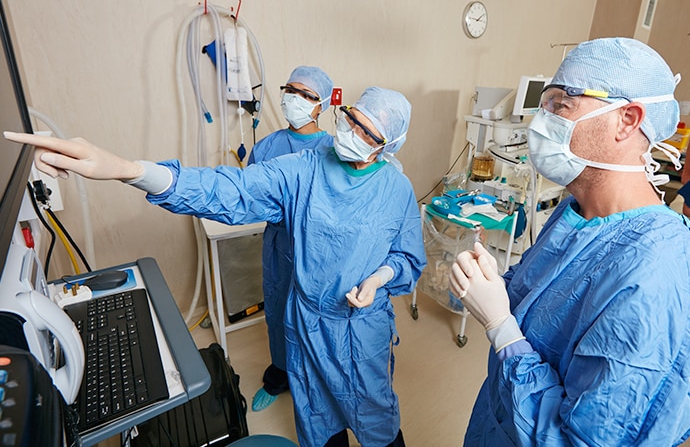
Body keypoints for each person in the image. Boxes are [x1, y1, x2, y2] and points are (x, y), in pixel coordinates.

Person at [5, 86, 426, 447]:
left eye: (366, 132)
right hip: (307, 323)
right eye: (351, 118)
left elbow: (406, 257)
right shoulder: (305, 170)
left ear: (385, 146)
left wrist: (378, 277)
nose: (350, 133)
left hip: (359, 328)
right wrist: (130, 171)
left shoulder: (396, 190)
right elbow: (231, 189)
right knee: (317, 418)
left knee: (375, 419)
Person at [449, 37, 690, 445]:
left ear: (628, 120)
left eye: (562, 104)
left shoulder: (654, 273)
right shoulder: (573, 210)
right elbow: (541, 295)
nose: (540, 122)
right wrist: (495, 288)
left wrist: (501, 328)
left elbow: (580, 439)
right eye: (545, 104)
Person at [247, 65, 334, 412]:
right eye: (290, 90)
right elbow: (250, 198)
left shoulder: (333, 150)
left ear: (321, 105)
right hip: (281, 247)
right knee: (279, 313)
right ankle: (280, 375)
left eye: (306, 95)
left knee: (318, 317)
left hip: (322, 250)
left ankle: (317, 378)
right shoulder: (267, 147)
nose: (294, 99)